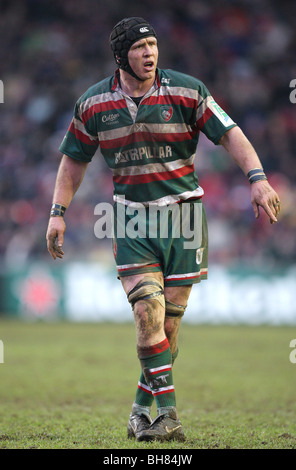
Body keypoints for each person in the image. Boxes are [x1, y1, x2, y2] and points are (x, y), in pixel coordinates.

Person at [46, 17, 281, 442]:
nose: (150, 53)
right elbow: (73, 161)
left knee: (167, 329)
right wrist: (57, 211)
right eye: (140, 48)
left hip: (184, 217)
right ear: (121, 56)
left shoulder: (188, 90)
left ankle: (139, 411)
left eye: (153, 44)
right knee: (145, 314)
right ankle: (169, 416)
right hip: (130, 217)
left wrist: (258, 178)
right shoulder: (93, 104)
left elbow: (230, 135)